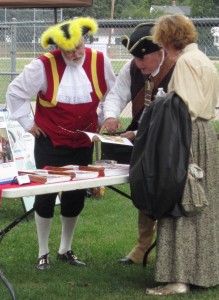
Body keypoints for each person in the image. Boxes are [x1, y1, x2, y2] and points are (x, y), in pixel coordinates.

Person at [6, 17, 116, 270]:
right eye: (69, 50)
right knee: (45, 196)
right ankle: (42, 251)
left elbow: (110, 92)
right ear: (58, 48)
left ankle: (65, 249)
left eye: (79, 47)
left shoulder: (100, 61)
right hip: (51, 140)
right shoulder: (42, 66)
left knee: (75, 195)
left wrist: (104, 118)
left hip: (83, 140)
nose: (76, 53)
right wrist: (27, 123)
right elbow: (15, 92)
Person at [141, 14, 219, 295]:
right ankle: (204, 272)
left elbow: (181, 109)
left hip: (187, 136)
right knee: (203, 207)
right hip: (206, 134)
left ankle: (179, 278)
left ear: (165, 40)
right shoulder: (203, 60)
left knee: (181, 200)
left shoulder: (185, 63)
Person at [100, 23, 176, 265]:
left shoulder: (177, 69)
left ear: (159, 51)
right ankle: (142, 247)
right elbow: (116, 93)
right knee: (144, 187)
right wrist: (111, 116)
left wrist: (137, 134)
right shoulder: (133, 67)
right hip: (142, 140)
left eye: (142, 57)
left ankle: (169, 250)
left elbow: (171, 117)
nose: (138, 62)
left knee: (166, 193)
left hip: (171, 142)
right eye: (135, 57)